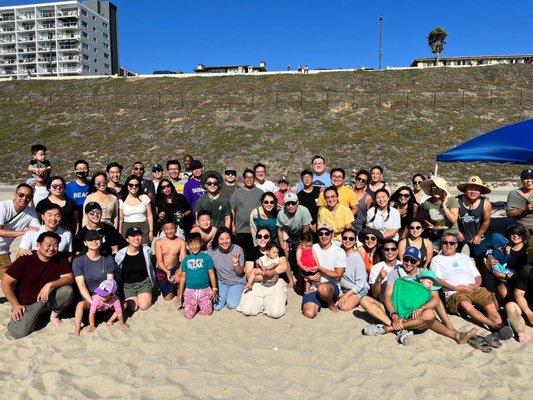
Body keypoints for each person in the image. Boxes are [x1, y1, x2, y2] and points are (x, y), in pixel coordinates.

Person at [363, 246, 478, 347]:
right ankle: (456, 335)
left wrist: (422, 308)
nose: (408, 263)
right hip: (397, 310)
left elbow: (435, 299)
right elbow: (388, 296)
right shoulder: (395, 272)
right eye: (406, 259)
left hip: (415, 314)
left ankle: (388, 329)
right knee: (364, 300)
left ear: (418, 262)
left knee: (429, 314)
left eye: (412, 260)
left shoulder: (425, 274)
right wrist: (394, 316)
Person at [431, 233, 514, 342]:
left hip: (475, 288)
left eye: (451, 243)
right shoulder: (436, 260)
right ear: (441, 244)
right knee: (466, 304)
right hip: (455, 292)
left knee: (490, 306)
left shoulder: (464, 257)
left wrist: (475, 285)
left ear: (456, 245)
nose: (448, 245)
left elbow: (477, 276)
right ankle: (496, 327)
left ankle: (498, 331)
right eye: (445, 242)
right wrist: (456, 288)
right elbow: (438, 280)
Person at [2, 231, 74, 339]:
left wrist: (50, 284)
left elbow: (69, 278)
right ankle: (32, 316)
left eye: (55, 246)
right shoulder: (25, 259)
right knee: (17, 333)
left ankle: (53, 316)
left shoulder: (60, 259)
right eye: (48, 245)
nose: (51, 249)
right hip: (26, 304)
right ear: (38, 245)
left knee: (67, 290)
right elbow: (5, 283)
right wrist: (15, 305)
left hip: (47, 300)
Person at [72, 230, 118, 334]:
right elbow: (81, 285)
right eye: (90, 239)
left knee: (123, 305)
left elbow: (110, 283)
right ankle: (77, 329)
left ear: (101, 241)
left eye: (97, 239)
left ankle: (106, 318)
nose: (94, 241)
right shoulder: (78, 261)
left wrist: (104, 299)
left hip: (105, 296)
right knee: (80, 305)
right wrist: (93, 302)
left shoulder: (108, 259)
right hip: (90, 297)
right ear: (85, 242)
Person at [237, 228, 288, 318]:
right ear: (256, 239)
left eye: (266, 236)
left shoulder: (277, 249)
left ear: (270, 239)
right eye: (259, 236)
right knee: (247, 310)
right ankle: (263, 302)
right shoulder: (251, 251)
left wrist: (271, 272)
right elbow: (249, 274)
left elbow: (284, 267)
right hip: (257, 283)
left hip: (275, 283)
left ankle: (269, 302)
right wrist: (267, 276)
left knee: (275, 313)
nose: (262, 239)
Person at [301, 223, 346, 318]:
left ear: (332, 234)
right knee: (309, 313)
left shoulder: (339, 251)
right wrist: (310, 277)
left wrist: (319, 268)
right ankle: (319, 302)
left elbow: (338, 274)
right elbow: (301, 268)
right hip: (314, 286)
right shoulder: (312, 247)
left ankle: (330, 304)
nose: (324, 236)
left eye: (327, 233)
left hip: (331, 286)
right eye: (321, 233)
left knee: (323, 288)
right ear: (318, 235)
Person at [0, 184, 40, 281]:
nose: (24, 198)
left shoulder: (31, 212)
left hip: (2, 250)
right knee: (9, 280)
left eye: (28, 196)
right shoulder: (3, 206)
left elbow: (38, 231)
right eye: (21, 195)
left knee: (11, 280)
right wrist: (23, 232)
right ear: (14, 195)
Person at [176, 232, 218, 318]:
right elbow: (183, 277)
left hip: (205, 290)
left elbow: (211, 273)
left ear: (201, 243)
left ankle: (200, 304)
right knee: (189, 315)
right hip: (190, 290)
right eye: (191, 244)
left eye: (196, 243)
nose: (194, 246)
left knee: (207, 312)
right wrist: (180, 294)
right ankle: (191, 303)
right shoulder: (185, 260)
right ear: (187, 245)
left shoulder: (207, 258)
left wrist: (214, 289)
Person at [115, 227, 155, 312]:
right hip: (128, 285)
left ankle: (147, 295)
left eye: (138, 235)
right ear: (127, 239)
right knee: (133, 307)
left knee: (144, 306)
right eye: (133, 236)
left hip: (143, 283)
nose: (136, 238)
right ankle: (139, 296)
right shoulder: (120, 254)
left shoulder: (147, 250)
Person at [485, 224, 528, 302]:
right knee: (504, 294)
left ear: (523, 235)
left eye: (519, 233)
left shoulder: (527, 250)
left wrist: (505, 275)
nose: (515, 236)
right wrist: (488, 264)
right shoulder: (502, 248)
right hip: (505, 280)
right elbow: (491, 270)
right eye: (512, 233)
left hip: (521, 279)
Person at [207, 227, 246, 311]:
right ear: (217, 240)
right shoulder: (211, 252)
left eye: (227, 238)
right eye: (221, 239)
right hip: (222, 282)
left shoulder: (238, 249)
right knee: (217, 307)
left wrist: (236, 263)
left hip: (237, 282)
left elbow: (240, 273)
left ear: (231, 238)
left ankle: (237, 293)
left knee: (231, 305)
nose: (225, 241)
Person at [418, 177, 459, 249]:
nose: (437, 190)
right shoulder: (427, 203)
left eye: (439, 188)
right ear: (430, 189)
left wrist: (445, 207)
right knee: (433, 254)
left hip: (450, 233)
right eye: (434, 188)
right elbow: (425, 218)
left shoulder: (451, 200)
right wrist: (432, 226)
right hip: (436, 234)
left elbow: (453, 220)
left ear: (444, 190)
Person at [230, 168, 263, 253]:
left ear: (254, 179)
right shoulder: (237, 193)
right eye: (247, 177)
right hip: (241, 230)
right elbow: (232, 209)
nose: (249, 179)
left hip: (256, 229)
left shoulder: (260, 192)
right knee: (242, 253)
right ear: (244, 179)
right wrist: (233, 225)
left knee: (256, 253)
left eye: (251, 177)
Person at [456, 176, 492, 253]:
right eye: (470, 188)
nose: (473, 192)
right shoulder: (457, 200)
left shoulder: (486, 203)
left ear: (481, 191)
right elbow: (451, 219)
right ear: (465, 190)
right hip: (459, 234)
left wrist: (479, 235)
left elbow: (486, 221)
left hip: (477, 235)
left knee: (479, 257)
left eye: (476, 189)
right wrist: (457, 232)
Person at [337, 228, 370, 311]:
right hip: (343, 288)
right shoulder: (339, 253)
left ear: (355, 241)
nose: (348, 240)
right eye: (345, 238)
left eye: (351, 238)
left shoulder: (357, 258)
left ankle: (358, 298)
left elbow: (360, 283)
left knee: (344, 307)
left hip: (359, 288)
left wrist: (346, 295)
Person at [154, 218, 187, 301]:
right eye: (166, 229)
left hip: (175, 267)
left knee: (182, 273)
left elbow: (183, 260)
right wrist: (167, 271)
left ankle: (179, 289)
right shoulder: (159, 242)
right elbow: (160, 262)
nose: (170, 231)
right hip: (162, 269)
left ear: (176, 228)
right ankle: (174, 287)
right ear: (163, 230)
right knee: (168, 298)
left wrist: (179, 272)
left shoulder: (181, 241)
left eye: (172, 228)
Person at [506, 168, 533, 259]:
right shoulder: (514, 194)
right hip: (521, 228)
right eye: (526, 178)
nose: (529, 181)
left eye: (532, 178)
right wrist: (525, 209)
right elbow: (509, 214)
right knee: (521, 254)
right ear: (521, 180)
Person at [118, 175, 154, 245]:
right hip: (127, 228)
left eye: (136, 185)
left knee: (144, 250)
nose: (134, 187)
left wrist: (151, 231)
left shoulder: (144, 198)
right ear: (127, 185)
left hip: (143, 228)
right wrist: (120, 232)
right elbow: (121, 218)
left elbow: (149, 215)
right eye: (131, 185)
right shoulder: (122, 199)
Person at [505, 264, 533, 344]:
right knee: (510, 306)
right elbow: (518, 293)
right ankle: (521, 333)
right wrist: (528, 312)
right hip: (527, 308)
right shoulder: (528, 269)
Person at [64, 159, 90, 227]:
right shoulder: (68, 187)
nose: (82, 171)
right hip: (75, 220)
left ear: (88, 170)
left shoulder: (92, 185)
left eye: (84, 168)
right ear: (75, 171)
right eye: (79, 169)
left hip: (90, 219)